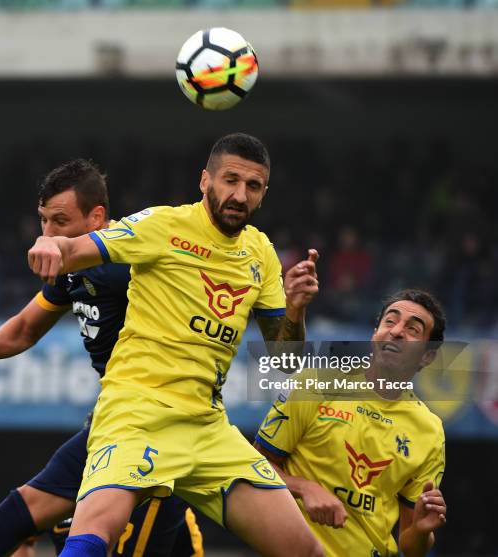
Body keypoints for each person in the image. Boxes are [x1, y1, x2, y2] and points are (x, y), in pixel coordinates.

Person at [28, 133, 325, 557]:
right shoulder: (162, 225)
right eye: (230, 180)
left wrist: (295, 311)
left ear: (263, 194)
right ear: (205, 181)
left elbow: (286, 363)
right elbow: (74, 248)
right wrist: (49, 242)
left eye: (253, 186)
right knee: (95, 531)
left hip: (206, 426)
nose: (239, 194)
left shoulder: (261, 253)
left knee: (306, 551)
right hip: (137, 411)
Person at [0, 159, 202, 557]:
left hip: (161, 439)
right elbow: (24, 329)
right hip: (111, 426)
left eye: (60, 221)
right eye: (43, 221)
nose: (48, 233)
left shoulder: (132, 264)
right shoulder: (73, 271)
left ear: (98, 218)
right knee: (10, 519)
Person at [254, 289, 448, 557]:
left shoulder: (430, 431)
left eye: (413, 329)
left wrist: (422, 530)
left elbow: (410, 545)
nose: (397, 331)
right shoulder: (316, 384)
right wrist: (304, 488)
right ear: (375, 333)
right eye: (390, 321)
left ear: (427, 356)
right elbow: (256, 466)